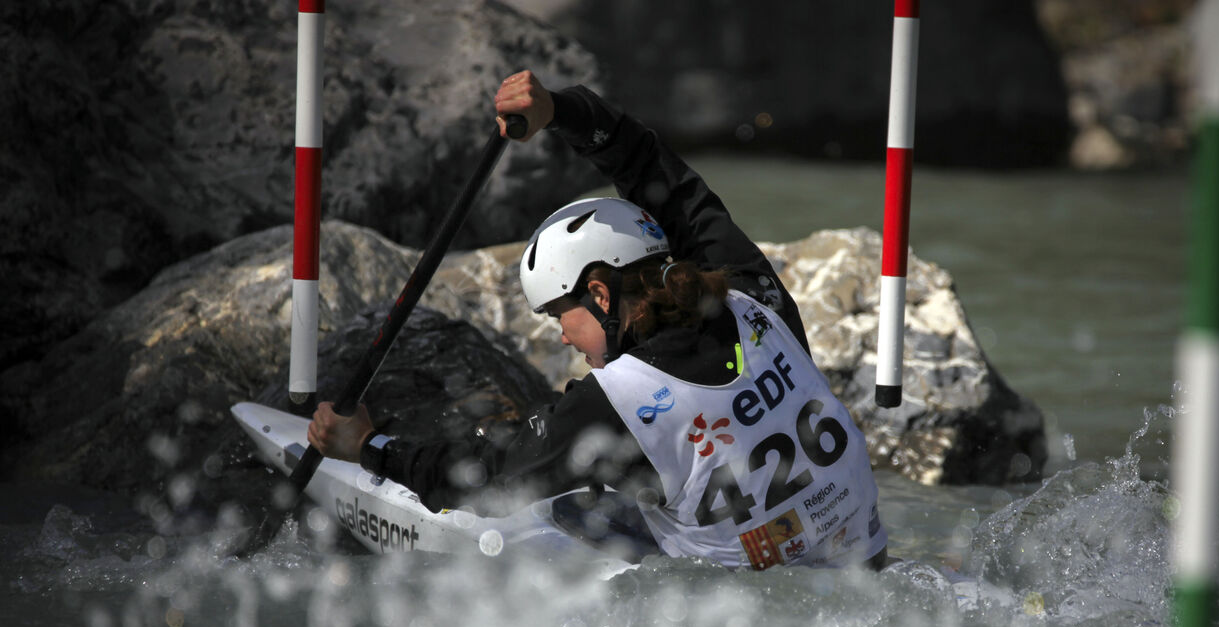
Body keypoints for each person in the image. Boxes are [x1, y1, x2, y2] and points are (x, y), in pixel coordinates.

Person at [308, 71, 888, 570]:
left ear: (600, 296)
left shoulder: (620, 400)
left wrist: (370, 446)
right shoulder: (754, 295)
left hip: (740, 615)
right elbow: (661, 176)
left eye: (560, 315)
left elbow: (481, 478)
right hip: (866, 565)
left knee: (566, 506)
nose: (563, 335)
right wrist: (561, 111)